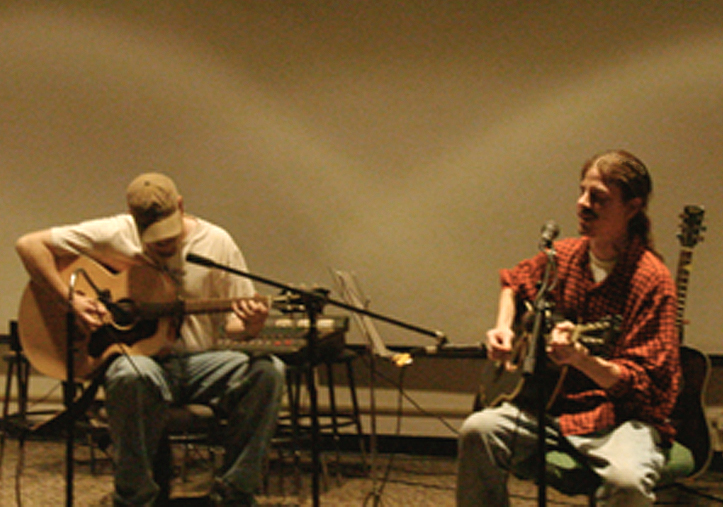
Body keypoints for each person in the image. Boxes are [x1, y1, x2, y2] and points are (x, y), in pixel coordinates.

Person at [16, 173, 285, 506]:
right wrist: (68, 300)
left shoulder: (216, 243)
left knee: (268, 371)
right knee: (132, 374)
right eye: (153, 238)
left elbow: (233, 325)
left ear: (181, 206)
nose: (163, 244)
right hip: (141, 362)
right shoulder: (114, 232)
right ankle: (135, 498)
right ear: (133, 219)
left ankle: (234, 493)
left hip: (197, 362)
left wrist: (250, 324)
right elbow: (29, 245)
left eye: (169, 235)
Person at [457, 150, 681, 506]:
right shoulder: (564, 256)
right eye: (582, 192)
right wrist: (503, 329)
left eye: (599, 198)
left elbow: (648, 391)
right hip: (551, 407)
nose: (582, 204)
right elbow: (513, 281)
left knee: (628, 484)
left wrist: (582, 361)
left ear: (633, 207)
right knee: (477, 431)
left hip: (617, 418)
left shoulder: (651, 280)